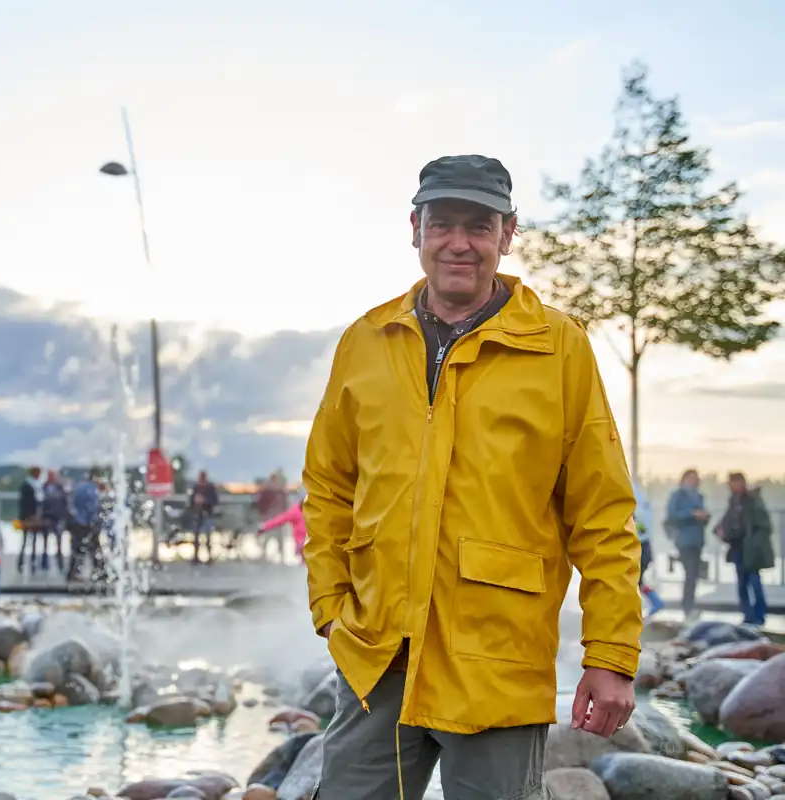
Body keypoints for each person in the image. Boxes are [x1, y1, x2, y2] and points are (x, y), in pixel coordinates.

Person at [304, 154, 641, 799]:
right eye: (442, 224)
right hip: (378, 656)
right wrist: (329, 606)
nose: (459, 242)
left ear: (507, 235)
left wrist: (611, 655)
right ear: (415, 230)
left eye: (479, 226)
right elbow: (329, 487)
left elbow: (602, 514)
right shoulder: (366, 340)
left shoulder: (558, 347)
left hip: (497, 659)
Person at [715, 472, 774, 628]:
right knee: (742, 583)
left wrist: (754, 543)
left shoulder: (753, 500)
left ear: (740, 482)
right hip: (737, 547)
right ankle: (747, 616)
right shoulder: (734, 501)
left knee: (754, 582)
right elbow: (727, 521)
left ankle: (759, 617)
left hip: (751, 549)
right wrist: (722, 531)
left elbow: (764, 526)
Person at [665, 468, 710, 620]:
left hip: (697, 540)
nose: (693, 481)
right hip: (684, 540)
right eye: (690, 478)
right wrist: (691, 514)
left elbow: (703, 519)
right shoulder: (678, 495)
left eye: (695, 478)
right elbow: (672, 516)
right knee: (690, 573)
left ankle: (690, 606)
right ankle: (688, 607)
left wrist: (704, 517)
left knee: (694, 574)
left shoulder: (699, 496)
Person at [633, 480, 665, 616]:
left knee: (633, 581)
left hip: (638, 547)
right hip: (643, 546)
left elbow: (640, 526)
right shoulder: (639, 498)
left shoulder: (631, 497)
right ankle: (655, 603)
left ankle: (655, 604)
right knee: (636, 581)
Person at [67, 469, 103, 583]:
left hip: (77, 521)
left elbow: (72, 503)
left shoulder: (79, 487)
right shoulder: (92, 488)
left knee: (78, 548)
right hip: (87, 523)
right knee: (95, 548)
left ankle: (73, 572)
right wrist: (95, 521)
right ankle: (99, 572)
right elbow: (93, 506)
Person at [188, 471, 219, 565]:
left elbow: (214, 500)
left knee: (207, 536)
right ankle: (196, 556)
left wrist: (205, 501)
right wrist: (195, 503)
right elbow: (191, 500)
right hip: (198, 514)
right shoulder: (197, 488)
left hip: (207, 514)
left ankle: (208, 557)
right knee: (197, 536)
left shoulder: (209, 488)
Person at [17, 466, 43, 575]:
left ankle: (28, 562)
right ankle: (24, 562)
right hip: (29, 517)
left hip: (31, 516)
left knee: (30, 541)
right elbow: (26, 503)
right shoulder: (30, 486)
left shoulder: (32, 485)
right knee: (27, 541)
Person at [41, 470, 68, 574]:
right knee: (45, 541)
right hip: (47, 517)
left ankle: (60, 563)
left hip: (57, 517)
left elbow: (64, 502)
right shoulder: (44, 487)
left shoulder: (59, 488)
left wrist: (63, 515)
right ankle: (44, 563)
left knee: (59, 541)